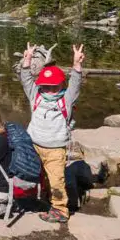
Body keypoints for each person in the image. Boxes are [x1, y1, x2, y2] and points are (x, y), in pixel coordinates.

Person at [20, 42, 85, 223]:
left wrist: (77, 65)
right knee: (39, 176)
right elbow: (26, 79)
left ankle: (60, 209)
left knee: (56, 179)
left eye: (53, 86)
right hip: (33, 145)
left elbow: (75, 84)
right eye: (45, 86)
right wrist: (27, 59)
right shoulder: (36, 94)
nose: (49, 90)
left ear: (60, 84)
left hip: (56, 149)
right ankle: (44, 198)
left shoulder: (66, 99)